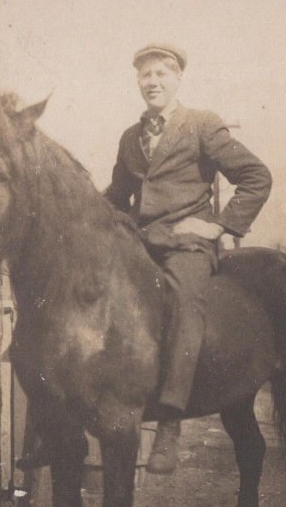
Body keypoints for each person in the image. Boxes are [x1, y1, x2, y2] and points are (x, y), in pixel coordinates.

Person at [104, 42, 272, 474]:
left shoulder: (201, 125)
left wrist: (217, 226)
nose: (152, 82)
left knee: (182, 304)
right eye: (145, 75)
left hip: (187, 246)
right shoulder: (130, 137)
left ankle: (170, 424)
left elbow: (256, 177)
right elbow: (117, 198)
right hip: (141, 244)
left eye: (161, 73)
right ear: (137, 82)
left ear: (178, 78)